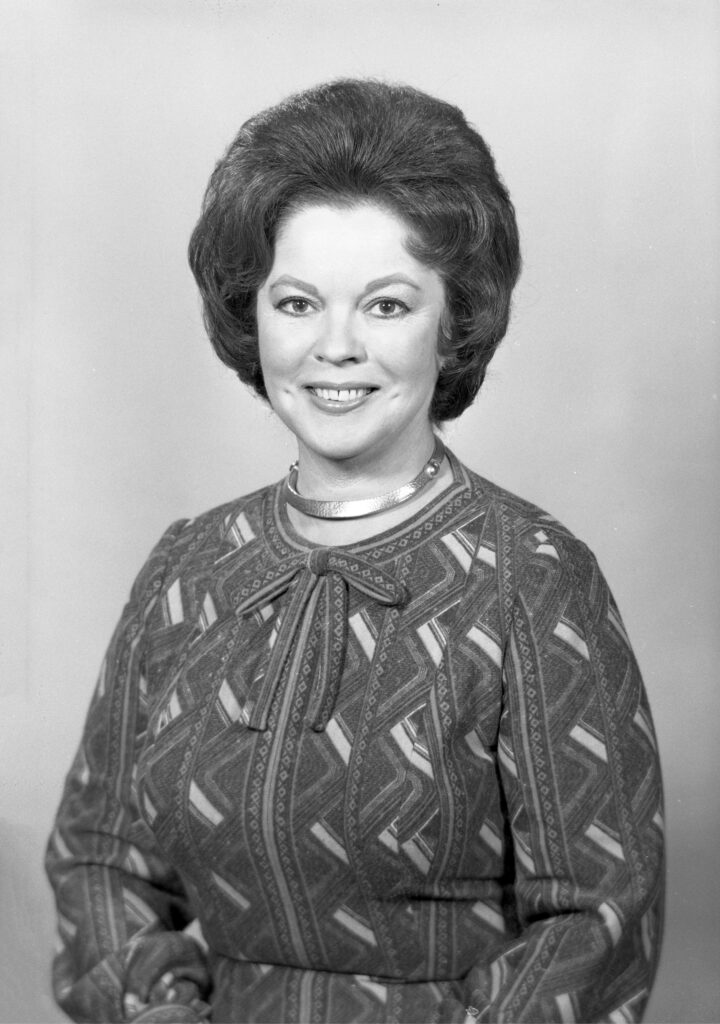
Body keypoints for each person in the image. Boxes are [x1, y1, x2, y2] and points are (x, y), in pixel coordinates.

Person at [45, 79, 664, 1023]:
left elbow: (596, 917)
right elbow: (99, 854)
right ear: (250, 316)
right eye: (297, 302)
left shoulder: (530, 577)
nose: (334, 347)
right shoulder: (187, 569)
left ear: (452, 322)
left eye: (384, 306)